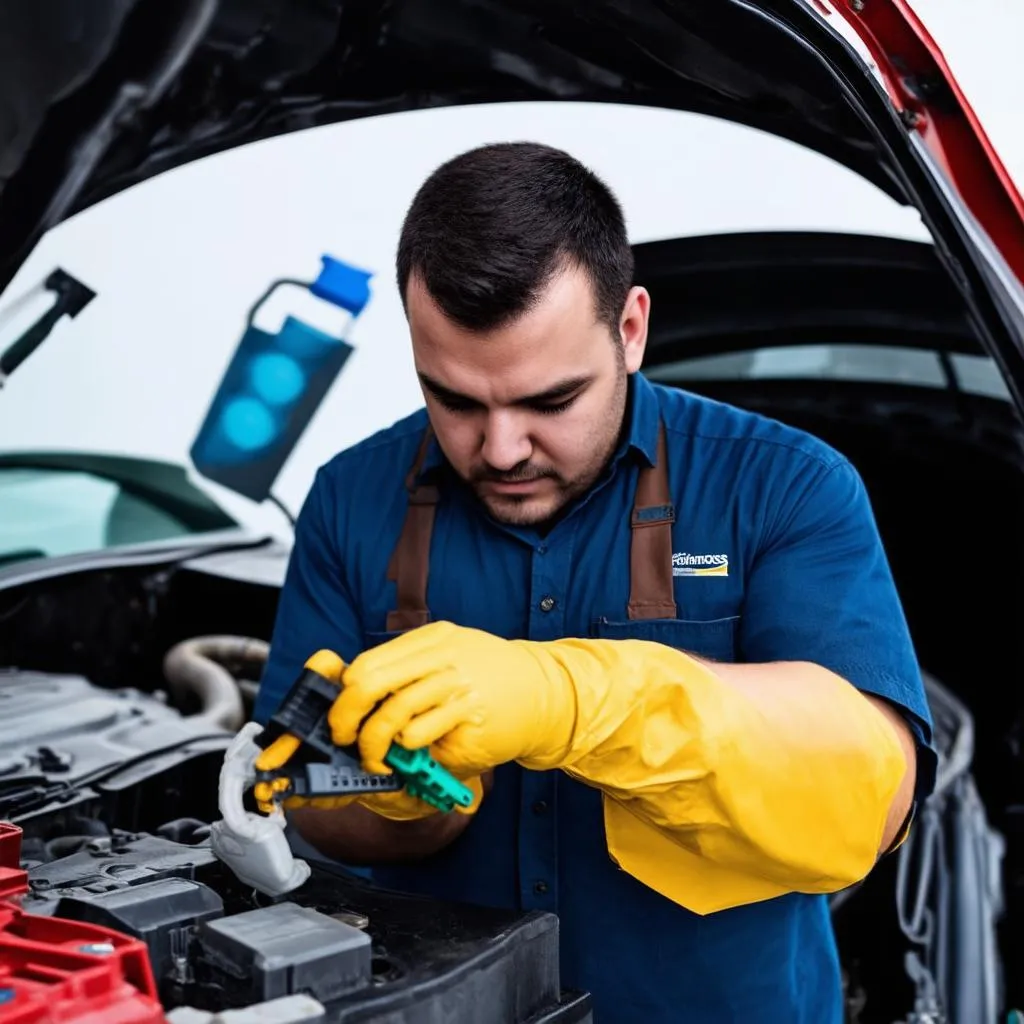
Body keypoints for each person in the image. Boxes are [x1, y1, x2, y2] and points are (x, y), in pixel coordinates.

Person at [252, 141, 937, 1023]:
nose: (499, 449)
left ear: (631, 329)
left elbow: (871, 805)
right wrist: (404, 804)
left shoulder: (787, 485)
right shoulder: (351, 497)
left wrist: (573, 699)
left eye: (549, 401)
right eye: (454, 400)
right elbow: (303, 803)